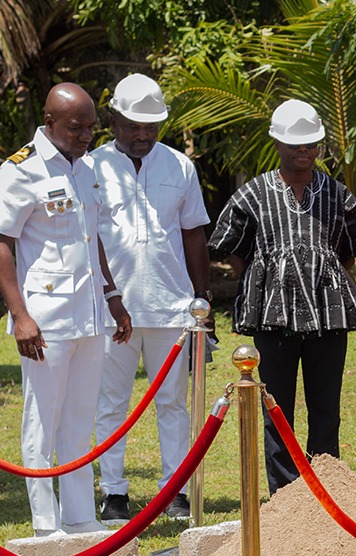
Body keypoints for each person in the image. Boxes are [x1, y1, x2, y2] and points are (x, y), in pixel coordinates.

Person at [209, 99, 356, 494]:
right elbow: (227, 244)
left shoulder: (338, 194)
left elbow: (352, 247)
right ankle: (284, 494)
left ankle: (325, 489)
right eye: (295, 144)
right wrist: (263, 275)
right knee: (275, 407)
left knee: (326, 409)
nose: (303, 151)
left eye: (310, 144)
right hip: (272, 316)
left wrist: (321, 272)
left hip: (329, 316)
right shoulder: (252, 194)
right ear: (278, 143)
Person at [0, 83, 132, 536]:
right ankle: (44, 525)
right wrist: (19, 315)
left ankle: (79, 518)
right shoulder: (21, 170)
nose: (85, 136)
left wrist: (113, 298)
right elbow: (2, 243)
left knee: (79, 419)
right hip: (45, 320)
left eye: (91, 128)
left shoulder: (87, 167)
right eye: (76, 128)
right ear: (50, 121)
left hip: (90, 314)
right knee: (42, 419)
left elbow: (91, 242)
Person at [92, 74, 211, 523]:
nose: (142, 135)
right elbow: (90, 238)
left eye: (151, 126)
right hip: (110, 310)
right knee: (112, 402)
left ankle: (174, 491)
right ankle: (115, 492)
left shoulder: (180, 166)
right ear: (113, 120)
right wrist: (110, 294)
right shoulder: (91, 167)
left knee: (172, 403)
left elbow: (194, 234)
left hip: (171, 307)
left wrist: (201, 302)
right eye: (133, 125)